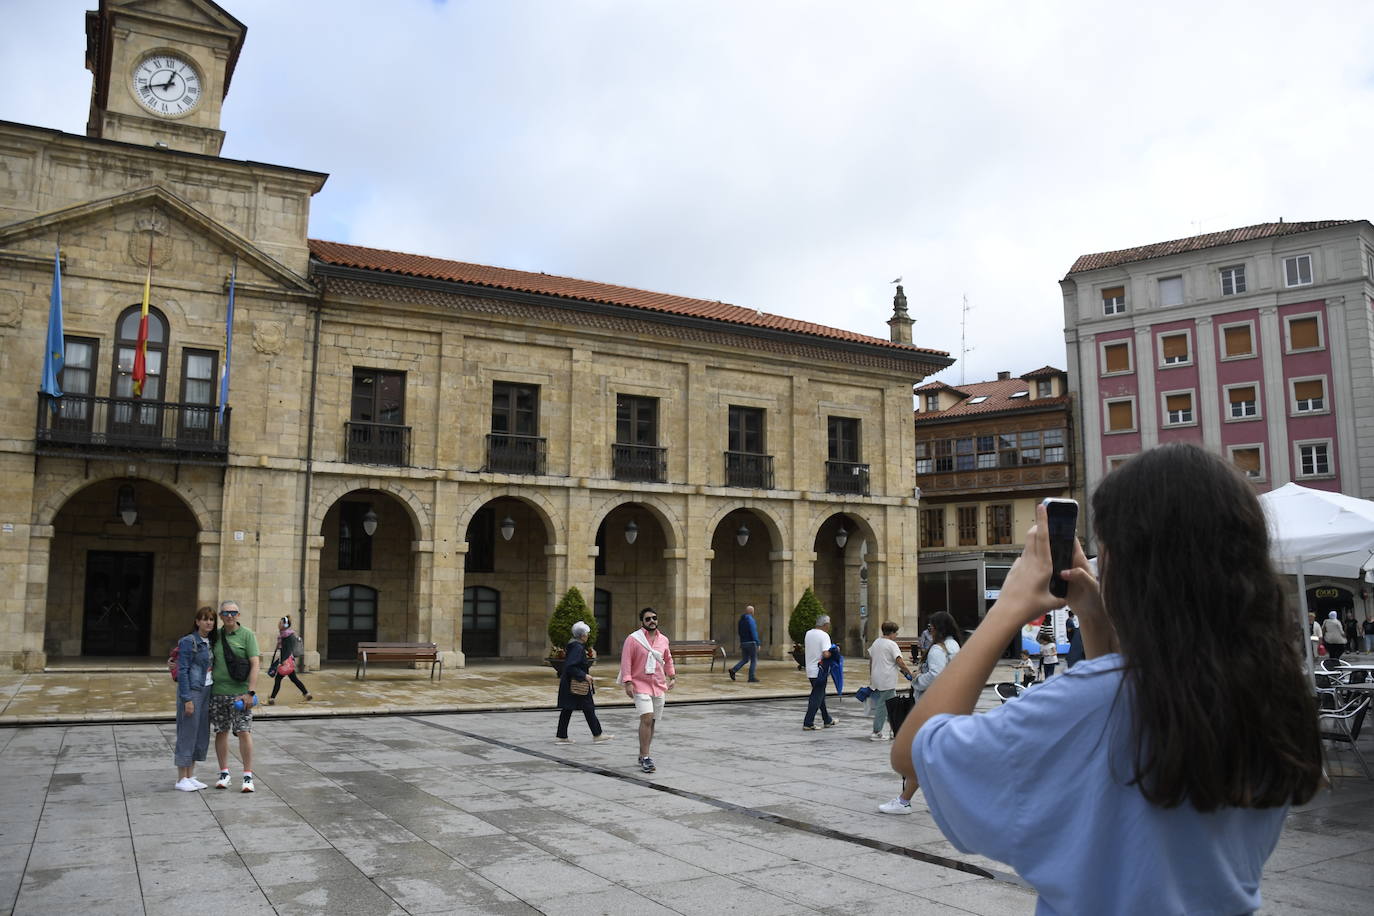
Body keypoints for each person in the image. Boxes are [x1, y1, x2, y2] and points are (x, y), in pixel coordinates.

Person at [891, 443, 1322, 913]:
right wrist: (1095, 620)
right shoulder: (1272, 696)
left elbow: (914, 753)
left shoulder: (1093, 701)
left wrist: (1008, 610)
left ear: (1129, 567)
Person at [877, 610, 963, 815]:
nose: (929, 631)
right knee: (934, 756)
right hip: (948, 705)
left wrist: (916, 679)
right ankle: (940, 801)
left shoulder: (937, 650)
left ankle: (904, 801)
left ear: (938, 628)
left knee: (921, 755)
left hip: (930, 707)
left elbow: (935, 675)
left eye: (931, 627)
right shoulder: (955, 646)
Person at [210, 599, 260, 793]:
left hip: (240, 694)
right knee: (221, 731)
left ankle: (248, 776)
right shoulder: (216, 636)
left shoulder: (247, 635)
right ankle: (224, 773)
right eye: (226, 613)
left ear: (238, 615)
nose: (229, 616)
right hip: (218, 693)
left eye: (233, 612)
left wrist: (251, 692)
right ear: (221, 616)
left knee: (243, 731)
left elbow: (255, 664)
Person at [619, 607, 675, 773]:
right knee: (647, 719)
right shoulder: (633, 639)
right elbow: (626, 661)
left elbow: (668, 659)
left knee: (653, 721)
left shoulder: (663, 639)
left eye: (654, 618)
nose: (652, 621)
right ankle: (645, 757)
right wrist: (628, 682)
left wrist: (672, 676)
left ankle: (643, 753)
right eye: (648, 619)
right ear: (642, 622)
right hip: (639, 684)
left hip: (658, 684)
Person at [173, 606, 216, 791]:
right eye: (205, 619)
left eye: (211, 619)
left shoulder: (210, 642)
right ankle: (181, 778)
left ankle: (190, 775)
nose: (208, 622)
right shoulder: (188, 641)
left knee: (199, 732)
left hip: (207, 689)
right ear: (197, 621)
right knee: (187, 731)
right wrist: (186, 698)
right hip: (193, 690)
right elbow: (182, 671)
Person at [556, 621, 611, 744]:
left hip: (572, 684)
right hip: (576, 684)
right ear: (582, 635)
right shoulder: (577, 647)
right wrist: (584, 675)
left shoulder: (574, 645)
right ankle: (597, 735)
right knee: (586, 708)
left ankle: (563, 736)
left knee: (571, 709)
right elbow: (571, 666)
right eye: (587, 633)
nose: (588, 636)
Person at [868, 621, 913, 741]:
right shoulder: (892, 645)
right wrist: (909, 673)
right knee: (884, 706)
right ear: (892, 633)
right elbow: (899, 661)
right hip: (887, 679)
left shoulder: (876, 642)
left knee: (891, 705)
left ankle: (894, 729)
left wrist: (871, 676)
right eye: (896, 633)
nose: (896, 635)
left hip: (877, 678)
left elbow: (871, 661)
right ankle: (877, 731)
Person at [267, 615, 312, 705]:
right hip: (290, 661)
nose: (278, 624)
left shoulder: (286, 636)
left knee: (278, 679)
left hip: (286, 661)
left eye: (280, 623)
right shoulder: (286, 634)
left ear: (285, 625)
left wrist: (283, 661)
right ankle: (306, 694)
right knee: (294, 679)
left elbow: (287, 649)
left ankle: (272, 699)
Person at [802, 614, 836, 730]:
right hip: (820, 671)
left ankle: (827, 719)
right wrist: (835, 651)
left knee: (820, 695)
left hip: (810, 669)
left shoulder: (808, 633)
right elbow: (826, 653)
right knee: (816, 696)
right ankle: (808, 722)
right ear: (826, 625)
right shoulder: (824, 635)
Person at [728, 605, 761, 682]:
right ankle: (751, 677)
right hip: (751, 643)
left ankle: (733, 670)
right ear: (752, 612)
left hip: (743, 642)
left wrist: (742, 641)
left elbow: (739, 632)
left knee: (745, 659)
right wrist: (757, 643)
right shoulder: (751, 620)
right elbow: (753, 632)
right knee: (754, 660)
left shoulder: (741, 620)